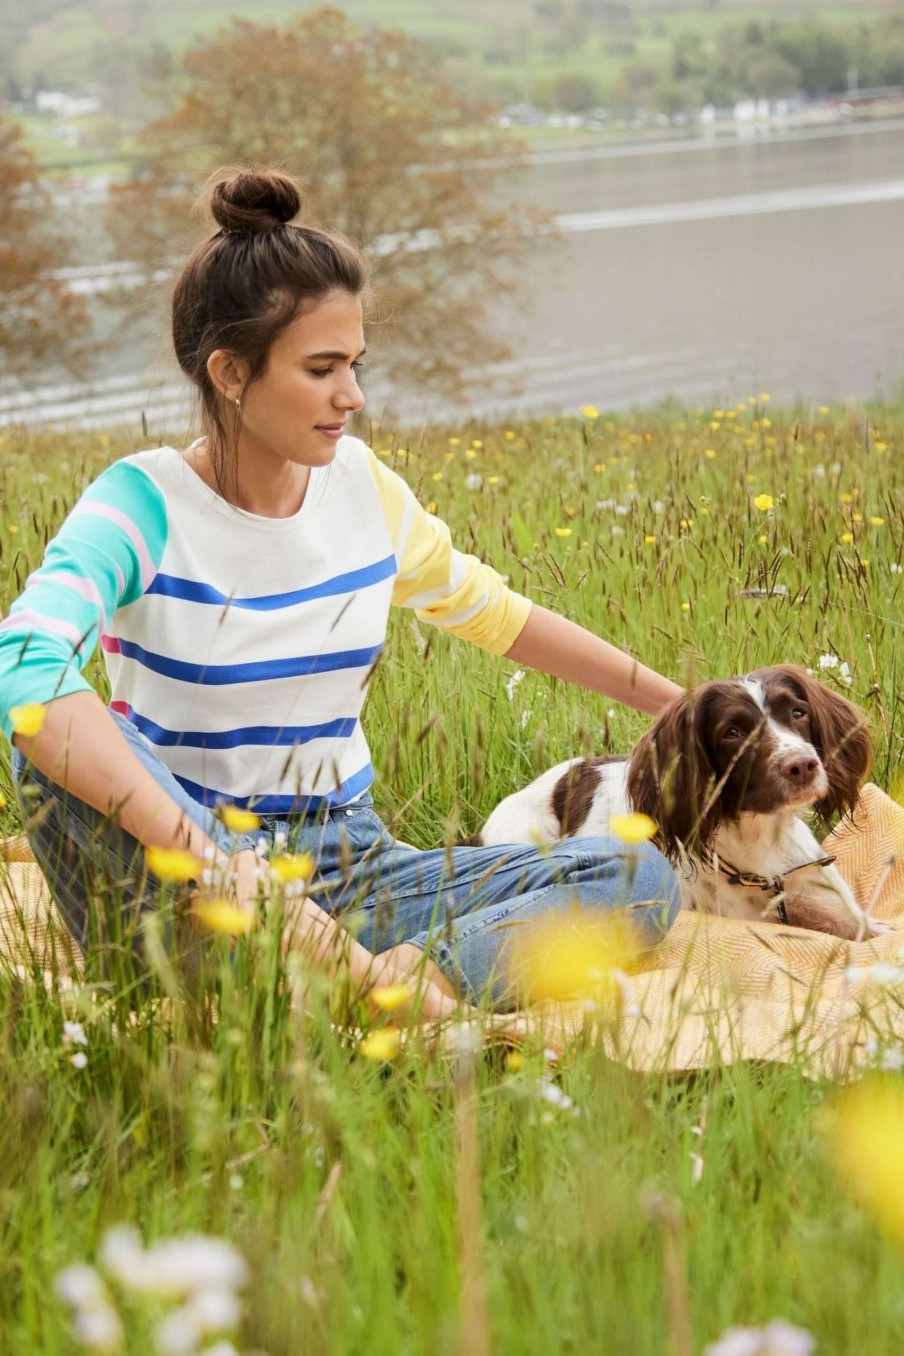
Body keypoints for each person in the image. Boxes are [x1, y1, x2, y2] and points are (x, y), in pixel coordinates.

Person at [0, 168, 683, 1017]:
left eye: (356, 365)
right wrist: (229, 871)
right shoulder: (142, 502)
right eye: (323, 368)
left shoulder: (363, 487)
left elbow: (498, 615)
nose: (352, 396)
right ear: (230, 373)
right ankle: (345, 987)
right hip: (184, 870)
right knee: (61, 735)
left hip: (348, 863)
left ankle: (401, 988)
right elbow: (21, 668)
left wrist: (678, 704)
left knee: (640, 879)